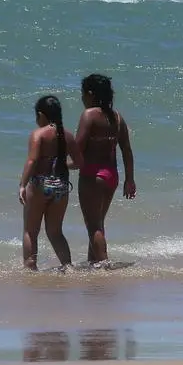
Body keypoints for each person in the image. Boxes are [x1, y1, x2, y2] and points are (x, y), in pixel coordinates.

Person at [76, 74, 136, 265]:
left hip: (92, 175)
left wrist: (59, 164)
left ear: (91, 94)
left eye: (83, 94)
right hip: (111, 176)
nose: (82, 99)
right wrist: (130, 180)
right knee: (98, 223)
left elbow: (78, 149)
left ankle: (103, 265)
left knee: (93, 225)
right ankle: (93, 264)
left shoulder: (89, 115)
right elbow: (126, 150)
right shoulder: (117, 118)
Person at [19, 95, 83, 270]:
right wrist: (62, 166)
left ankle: (30, 267)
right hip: (61, 186)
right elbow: (78, 162)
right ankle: (68, 267)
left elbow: (32, 161)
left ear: (41, 115)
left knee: (31, 232)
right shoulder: (67, 135)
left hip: (40, 184)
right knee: (55, 232)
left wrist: (22, 185)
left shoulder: (38, 134)